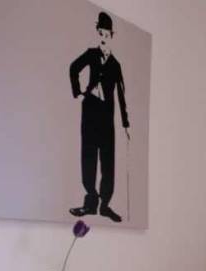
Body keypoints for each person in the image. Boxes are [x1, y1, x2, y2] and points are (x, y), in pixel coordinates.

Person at [68, 11, 130, 222]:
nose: (103, 37)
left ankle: (105, 205)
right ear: (98, 33)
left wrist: (125, 123)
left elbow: (121, 95)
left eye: (106, 34)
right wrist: (78, 93)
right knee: (88, 157)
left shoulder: (116, 65)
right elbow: (74, 68)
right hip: (90, 111)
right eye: (100, 33)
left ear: (112, 36)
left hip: (106, 117)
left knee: (107, 160)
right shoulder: (91, 54)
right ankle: (90, 203)